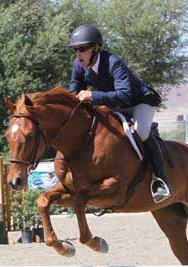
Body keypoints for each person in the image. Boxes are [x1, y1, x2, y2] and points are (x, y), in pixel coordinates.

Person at [68, 24, 172, 203]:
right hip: (115, 104)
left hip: (139, 102)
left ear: (95, 48)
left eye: (82, 49)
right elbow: (73, 93)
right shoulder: (79, 66)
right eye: (76, 49)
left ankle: (161, 181)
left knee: (141, 131)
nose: (78, 54)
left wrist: (92, 95)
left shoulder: (113, 62)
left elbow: (125, 95)